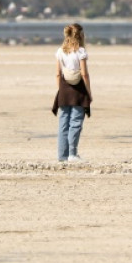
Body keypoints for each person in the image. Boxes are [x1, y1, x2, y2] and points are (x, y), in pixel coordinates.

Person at [52, 23, 92, 163]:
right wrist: (88, 92)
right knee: (75, 122)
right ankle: (72, 154)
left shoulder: (60, 51)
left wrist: (60, 89)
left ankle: (62, 155)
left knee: (63, 123)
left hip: (64, 88)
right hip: (78, 89)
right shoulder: (80, 52)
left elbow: (57, 74)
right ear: (80, 35)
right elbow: (84, 74)